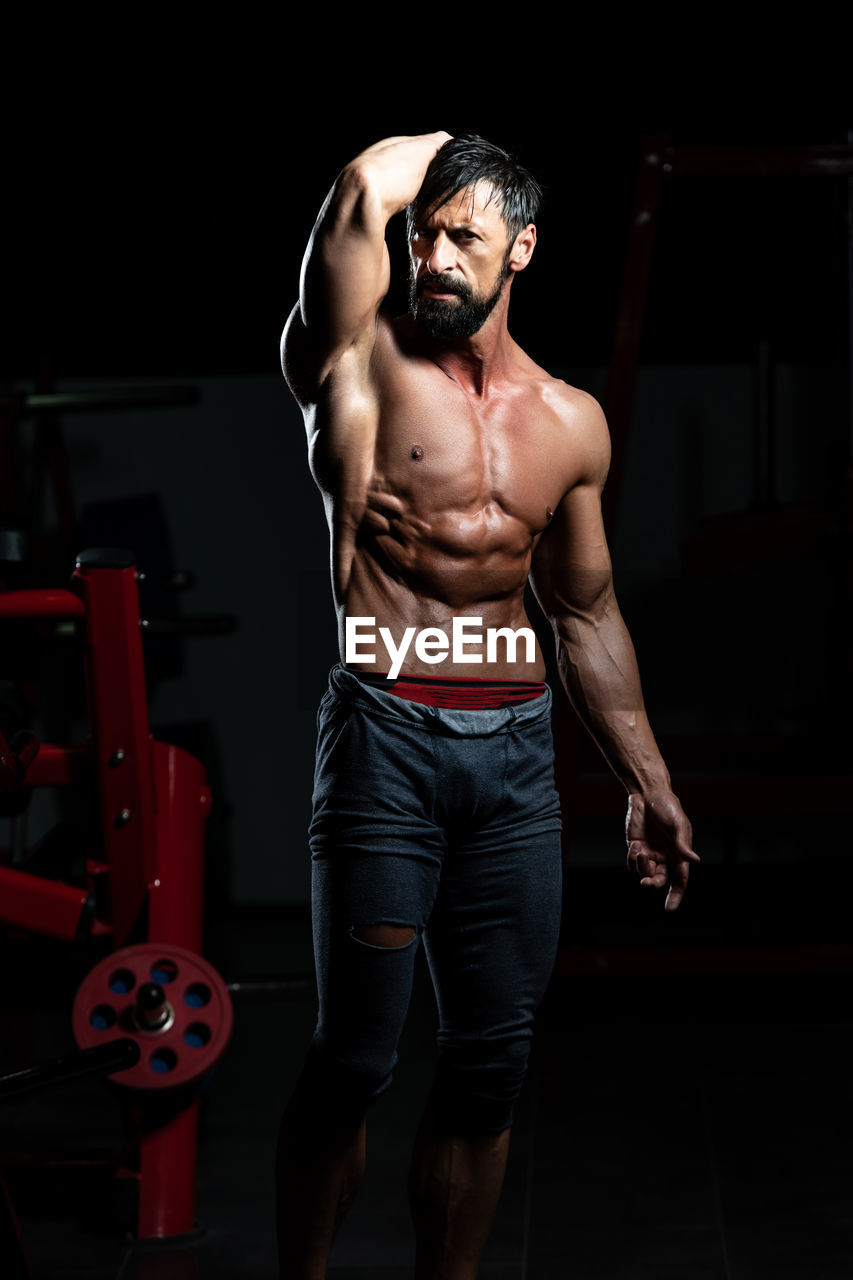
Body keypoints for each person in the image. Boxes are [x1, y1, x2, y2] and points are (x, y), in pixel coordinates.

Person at [277, 131, 697, 1279]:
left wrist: (647, 781)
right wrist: (456, 155)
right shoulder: (353, 366)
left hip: (514, 761)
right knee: (356, 1055)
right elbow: (366, 186)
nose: (435, 255)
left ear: (521, 248)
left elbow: (585, 613)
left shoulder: (568, 421)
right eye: (426, 236)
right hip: (385, 736)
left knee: (488, 1065)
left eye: (464, 235)